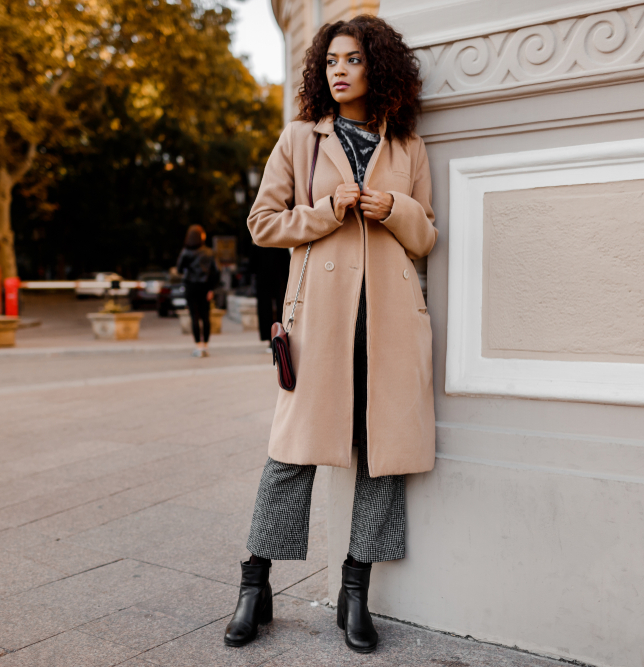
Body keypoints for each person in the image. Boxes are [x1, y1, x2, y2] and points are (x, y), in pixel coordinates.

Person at [225, 15, 436, 653]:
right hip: (318, 317)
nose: (337, 70)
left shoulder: (407, 144)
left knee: (383, 454)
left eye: (351, 60)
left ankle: (355, 590)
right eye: (330, 61)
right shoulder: (300, 139)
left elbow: (426, 236)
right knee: (290, 451)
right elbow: (263, 224)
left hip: (391, 321)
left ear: (378, 67)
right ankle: (254, 583)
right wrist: (327, 212)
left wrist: (393, 209)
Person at [176, 225, 219, 357]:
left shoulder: (185, 252)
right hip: (205, 287)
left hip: (190, 287)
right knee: (206, 316)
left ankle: (198, 346)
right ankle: (205, 345)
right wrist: (212, 288)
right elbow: (216, 271)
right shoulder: (209, 252)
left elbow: (179, 269)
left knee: (194, 316)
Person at [251, 244, 291, 349]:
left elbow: (252, 265)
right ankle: (282, 336)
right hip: (279, 280)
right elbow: (288, 264)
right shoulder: (280, 243)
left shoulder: (259, 243)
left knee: (266, 310)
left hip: (263, 280)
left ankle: (270, 339)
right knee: (280, 309)